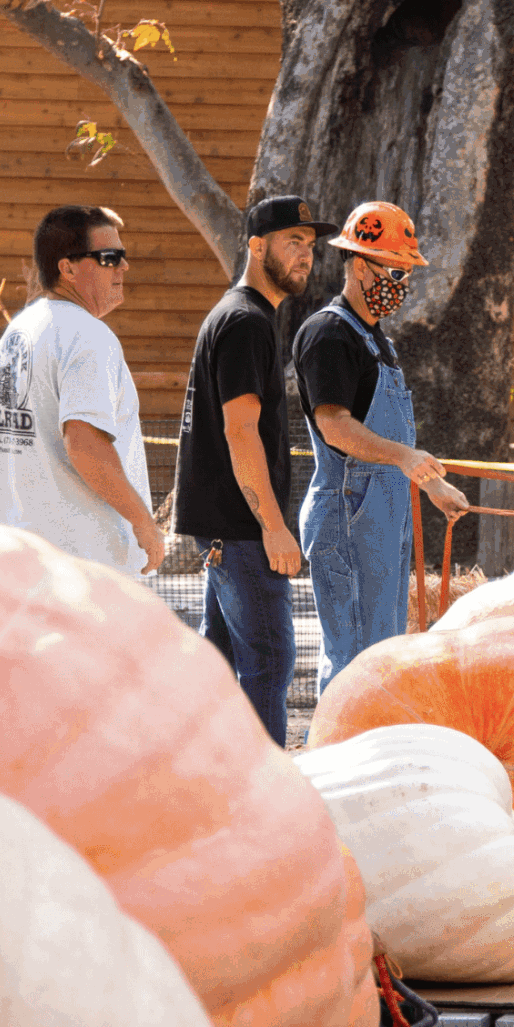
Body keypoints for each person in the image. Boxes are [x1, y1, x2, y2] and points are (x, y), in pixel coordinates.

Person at [173, 194, 334, 746]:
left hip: (224, 524)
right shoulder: (245, 322)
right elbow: (240, 432)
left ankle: (198, 772)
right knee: (269, 656)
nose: (305, 257)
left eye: (310, 246)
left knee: (215, 663)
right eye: (293, 242)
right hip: (241, 528)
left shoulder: (243, 316)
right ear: (257, 245)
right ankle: (265, 794)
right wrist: (273, 526)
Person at [294, 202, 471, 695]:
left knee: (385, 660)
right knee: (353, 663)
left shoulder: (378, 341)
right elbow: (336, 427)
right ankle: (329, 766)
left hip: (384, 518)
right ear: (357, 264)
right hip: (347, 516)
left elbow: (392, 447)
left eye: (406, 271)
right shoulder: (328, 334)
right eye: (394, 269)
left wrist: (431, 484)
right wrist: (405, 458)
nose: (402, 282)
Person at [0, 204, 164, 577]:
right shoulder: (89, 337)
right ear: (67, 268)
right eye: (109, 258)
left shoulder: (19, 331)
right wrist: (144, 523)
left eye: (123, 257)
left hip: (17, 560)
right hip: (83, 569)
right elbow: (85, 445)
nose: (123, 267)